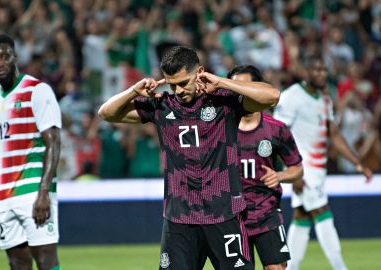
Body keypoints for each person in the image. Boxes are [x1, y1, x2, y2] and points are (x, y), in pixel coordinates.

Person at [98, 46, 280, 270]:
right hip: (179, 219)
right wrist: (134, 90)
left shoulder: (224, 102)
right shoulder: (161, 105)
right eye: (172, 84)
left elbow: (272, 96)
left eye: (184, 82)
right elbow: (106, 113)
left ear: (200, 72)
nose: (178, 90)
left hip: (223, 215)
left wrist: (222, 82)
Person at [0, 34, 62, 270]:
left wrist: (44, 192)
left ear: (15, 57)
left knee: (45, 260)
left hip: (33, 193)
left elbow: (53, 143)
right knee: (17, 264)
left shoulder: (37, 91)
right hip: (4, 197)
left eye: (3, 56)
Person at [273, 56, 373, 270]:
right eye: (315, 69)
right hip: (302, 167)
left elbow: (334, 135)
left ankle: (290, 268)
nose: (321, 74)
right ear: (305, 71)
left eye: (323, 70)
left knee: (302, 217)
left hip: (318, 169)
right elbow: (277, 135)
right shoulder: (292, 97)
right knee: (321, 210)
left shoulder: (324, 100)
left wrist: (358, 163)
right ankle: (340, 267)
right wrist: (291, 170)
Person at [229, 65, 303, 270]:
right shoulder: (221, 129)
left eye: (247, 87)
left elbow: (297, 168)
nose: (242, 93)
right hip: (232, 217)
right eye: (236, 87)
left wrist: (279, 176)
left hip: (266, 214)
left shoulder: (276, 129)